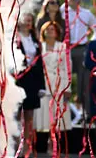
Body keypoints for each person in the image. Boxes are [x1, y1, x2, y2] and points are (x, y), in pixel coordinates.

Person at [34, 21, 72, 151]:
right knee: (43, 114)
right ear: (43, 32)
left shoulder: (63, 47)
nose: (50, 31)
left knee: (57, 115)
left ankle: (54, 144)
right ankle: (41, 144)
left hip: (59, 84)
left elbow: (67, 68)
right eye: (47, 29)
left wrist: (68, 88)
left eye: (52, 29)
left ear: (57, 32)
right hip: (43, 84)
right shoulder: (39, 47)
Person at [60, 0, 96, 118]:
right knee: (64, 79)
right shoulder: (62, 12)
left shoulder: (86, 14)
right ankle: (63, 112)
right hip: (65, 49)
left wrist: (91, 42)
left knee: (84, 81)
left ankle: (86, 113)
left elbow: (95, 26)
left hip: (81, 49)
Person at [14, 13, 45, 151]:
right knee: (15, 115)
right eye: (25, 20)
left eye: (30, 20)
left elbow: (40, 63)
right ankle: (14, 148)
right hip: (18, 80)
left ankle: (26, 148)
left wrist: (41, 86)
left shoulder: (35, 41)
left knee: (29, 115)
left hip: (32, 80)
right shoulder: (13, 39)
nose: (28, 23)